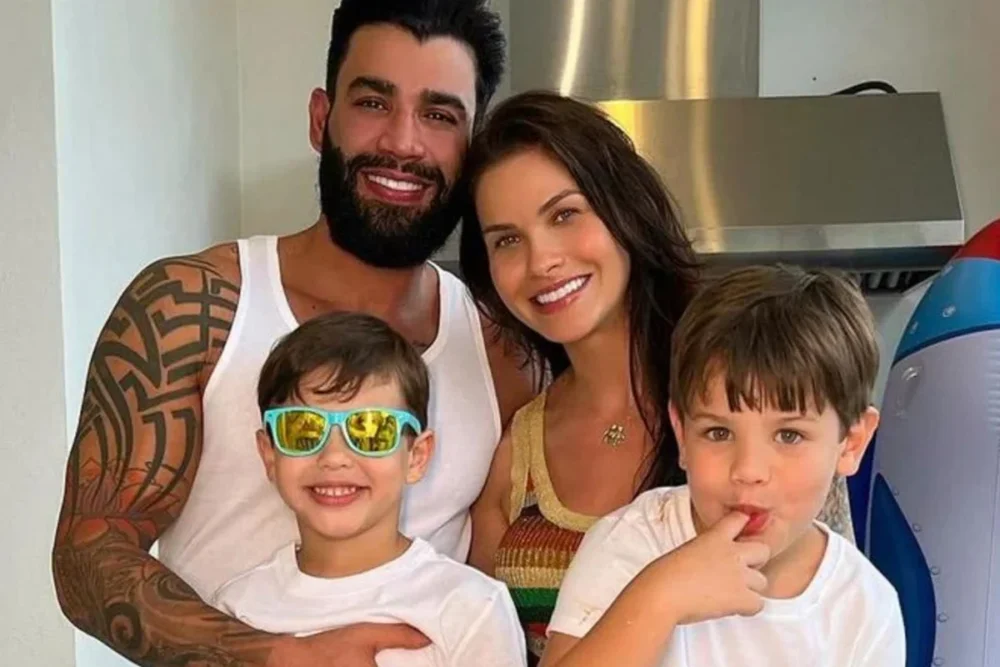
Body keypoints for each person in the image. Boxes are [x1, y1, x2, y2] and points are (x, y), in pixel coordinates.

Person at [52, 2, 533, 666]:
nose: (403, 143)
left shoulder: (502, 350)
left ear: (472, 146)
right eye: (373, 102)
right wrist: (274, 656)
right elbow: (87, 556)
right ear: (320, 118)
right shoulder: (193, 307)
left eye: (440, 115)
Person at [459, 91, 856, 664]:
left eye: (565, 214)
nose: (540, 260)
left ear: (626, 210)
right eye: (507, 240)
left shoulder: (762, 400)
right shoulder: (515, 457)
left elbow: (830, 614)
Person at [540, 265, 905, 667]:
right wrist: (660, 598)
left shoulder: (865, 607)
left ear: (851, 443)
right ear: (682, 435)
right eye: (718, 433)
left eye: (789, 435)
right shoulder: (631, 543)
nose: (748, 470)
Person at [211, 312, 526, 667]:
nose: (334, 457)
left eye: (371, 430)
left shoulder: (469, 608)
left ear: (416, 456)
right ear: (270, 455)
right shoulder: (237, 610)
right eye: (303, 429)